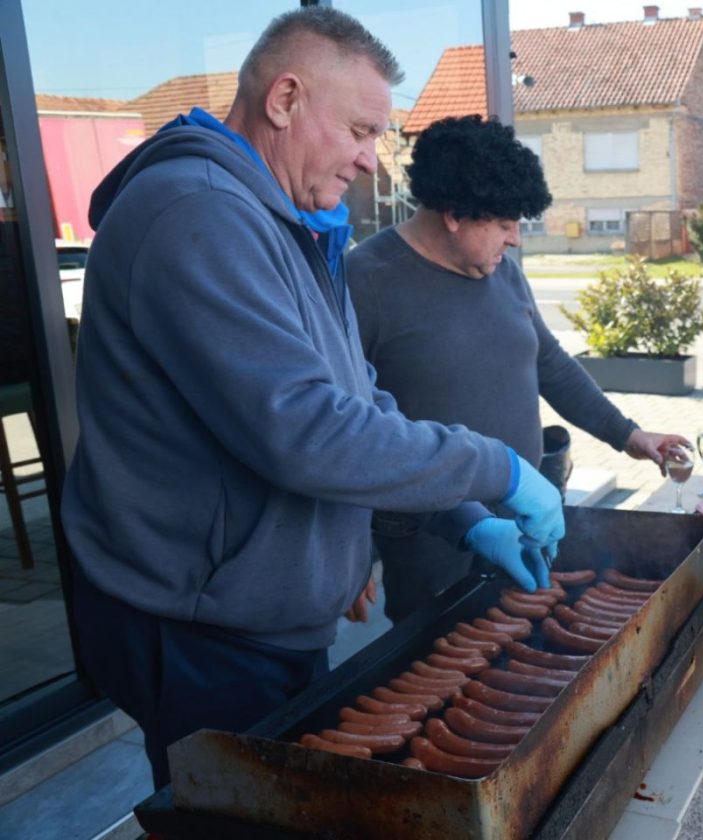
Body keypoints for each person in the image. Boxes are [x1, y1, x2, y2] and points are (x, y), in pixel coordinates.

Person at [62, 8, 565, 789]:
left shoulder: (287, 222)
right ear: (285, 99)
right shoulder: (196, 214)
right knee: (236, 819)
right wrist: (492, 466)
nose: (372, 162)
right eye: (362, 130)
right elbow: (304, 431)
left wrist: (466, 517)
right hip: (197, 628)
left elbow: (358, 400)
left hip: (253, 620)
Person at [347, 114, 690, 623]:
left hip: (525, 515)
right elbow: (346, 429)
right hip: (428, 535)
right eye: (505, 224)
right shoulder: (366, 280)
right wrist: (349, 555)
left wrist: (629, 435)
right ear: (455, 215)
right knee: (444, 669)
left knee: (529, 645)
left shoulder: (502, 272)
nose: (515, 240)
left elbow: (549, 363)